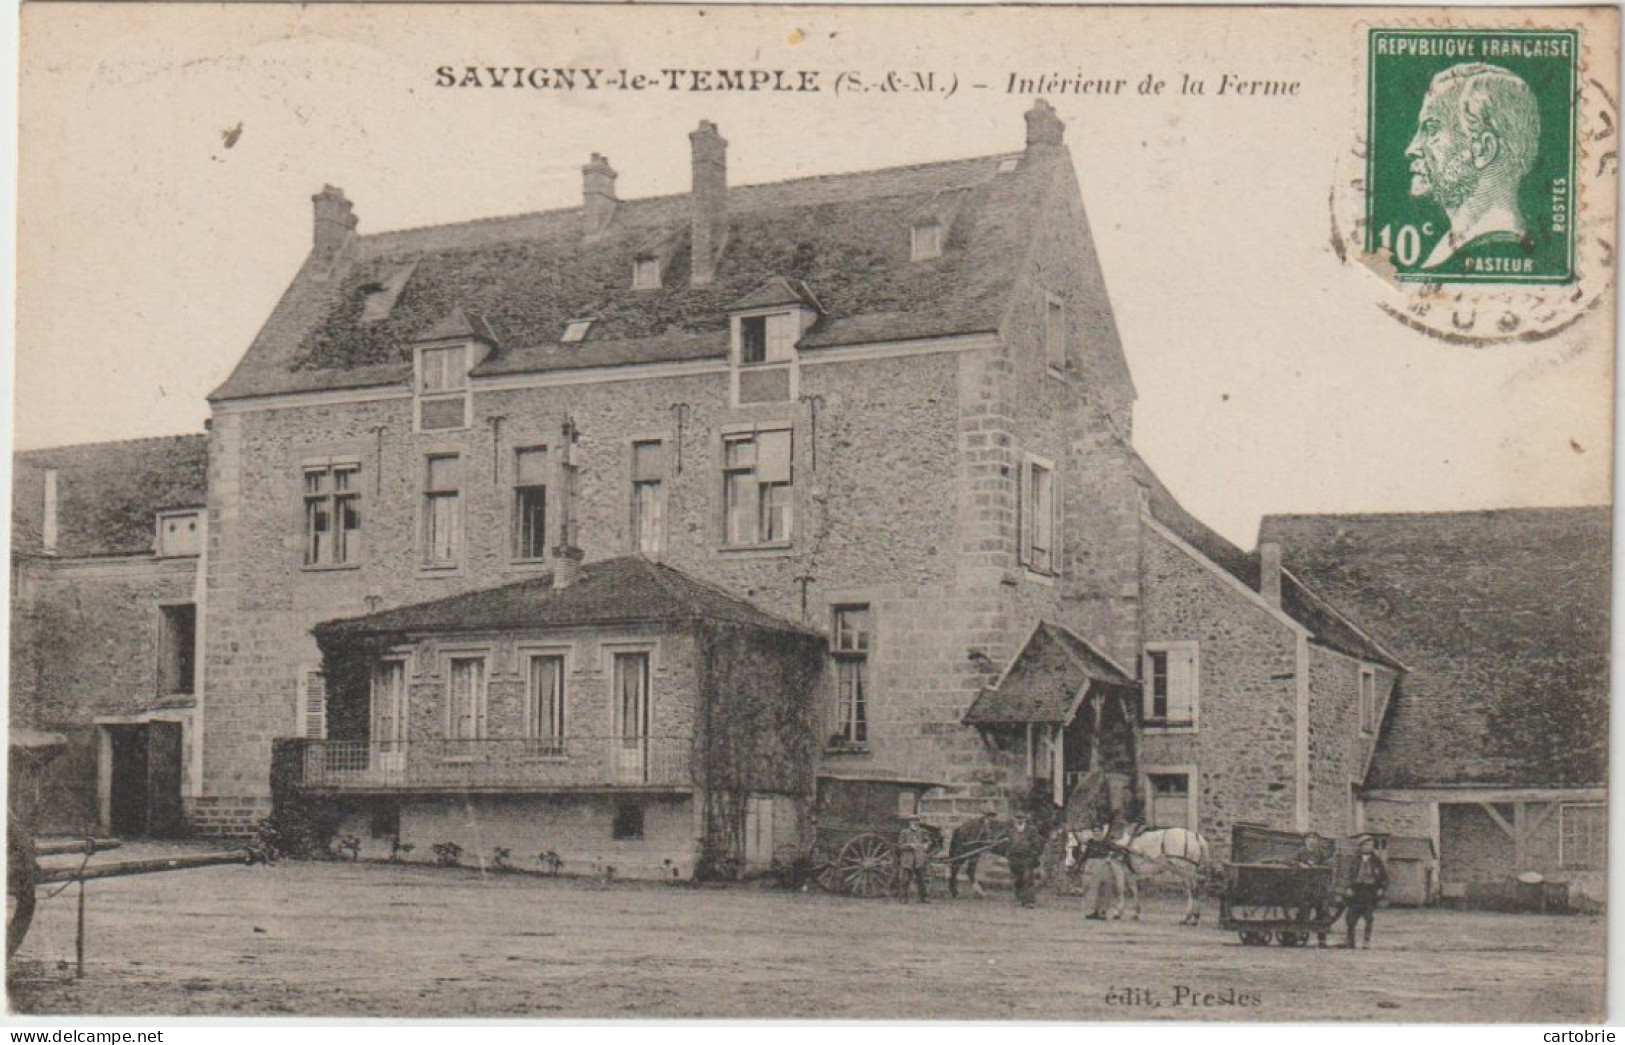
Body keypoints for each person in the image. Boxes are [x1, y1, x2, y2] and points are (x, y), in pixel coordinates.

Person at [1403, 63, 1542, 273]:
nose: (1411, 149)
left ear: (1483, 150)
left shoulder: (1499, 248)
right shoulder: (1452, 249)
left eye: (1431, 129)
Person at [1289, 831, 1335, 947]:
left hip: (1317, 887)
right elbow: (1290, 861)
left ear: (1317, 841)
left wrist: (1324, 865)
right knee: (1304, 912)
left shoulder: (1319, 853)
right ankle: (1301, 937)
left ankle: (1322, 939)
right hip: (1304, 887)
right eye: (1309, 838)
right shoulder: (1300, 852)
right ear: (1305, 841)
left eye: (1314, 838)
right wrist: (1300, 864)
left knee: (1321, 911)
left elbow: (1327, 864)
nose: (1312, 840)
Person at [1342, 835, 1389, 948]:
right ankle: (1350, 940)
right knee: (1351, 918)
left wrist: (1381, 889)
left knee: (1368, 917)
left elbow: (1384, 877)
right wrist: (1348, 887)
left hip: (1369, 891)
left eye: (1371, 845)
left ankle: (1366, 940)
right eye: (1366, 845)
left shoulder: (1376, 861)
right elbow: (1347, 875)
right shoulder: (1354, 860)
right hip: (1356, 891)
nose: (1369, 847)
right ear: (1361, 846)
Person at [1077, 823, 1119, 921]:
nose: (1097, 834)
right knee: (1091, 889)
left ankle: (1102, 911)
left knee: (1104, 888)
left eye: (1098, 831)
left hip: (1103, 865)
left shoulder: (1107, 842)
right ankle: (1092, 911)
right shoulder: (1090, 842)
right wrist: (1079, 866)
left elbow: (1116, 851)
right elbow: (1085, 855)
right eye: (1095, 832)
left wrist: (1109, 857)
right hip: (1091, 865)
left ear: (1102, 832)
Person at [1006, 810, 1045, 909]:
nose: (1019, 820)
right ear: (1014, 820)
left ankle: (1029, 901)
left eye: (1021, 819)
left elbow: (1036, 844)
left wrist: (1033, 855)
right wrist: (1009, 855)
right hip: (1014, 858)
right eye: (1017, 818)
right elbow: (1008, 844)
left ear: (1025, 820)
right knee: (1018, 880)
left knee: (1027, 879)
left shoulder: (1031, 830)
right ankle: (1021, 898)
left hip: (1027, 858)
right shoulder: (1011, 831)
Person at [896, 814, 934, 904]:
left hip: (919, 858)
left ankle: (923, 898)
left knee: (921, 879)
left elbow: (929, 841)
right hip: (908, 858)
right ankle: (903, 898)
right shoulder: (904, 832)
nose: (915, 823)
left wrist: (926, 845)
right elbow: (900, 845)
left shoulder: (922, 832)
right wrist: (909, 845)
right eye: (913, 821)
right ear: (909, 822)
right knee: (905, 879)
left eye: (916, 821)